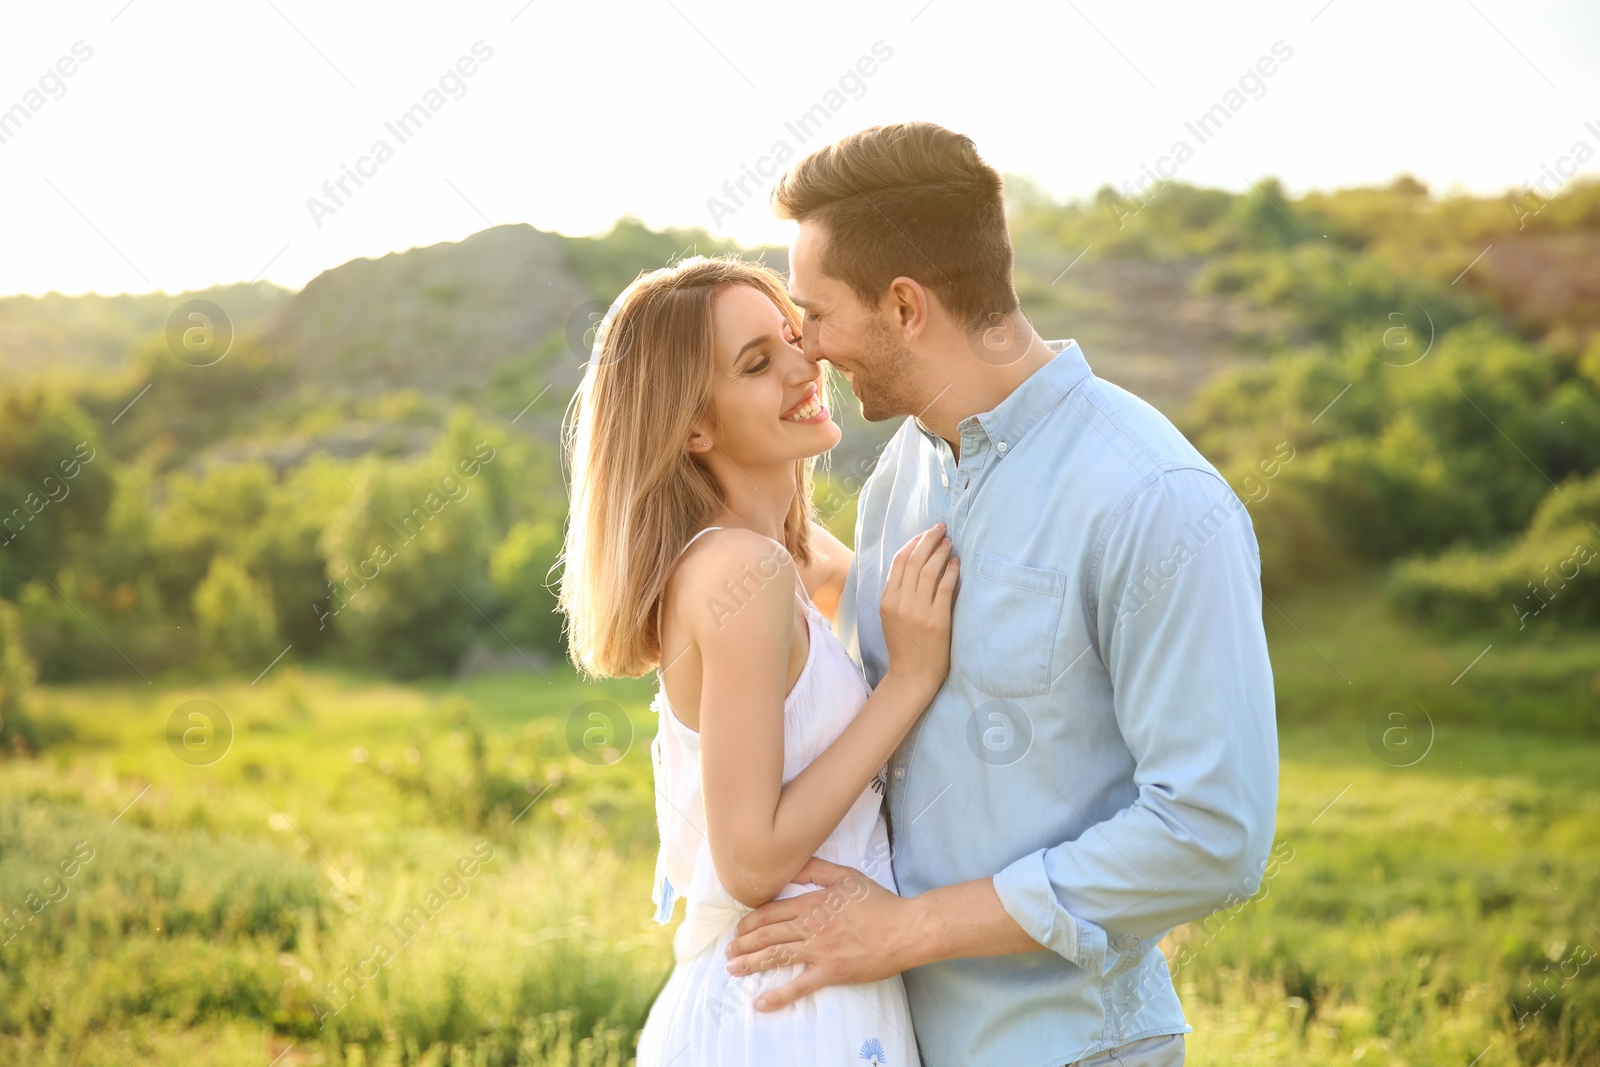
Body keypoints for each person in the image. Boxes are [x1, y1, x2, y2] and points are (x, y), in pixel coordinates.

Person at [722, 122, 1281, 1067]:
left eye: (816, 314)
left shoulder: (1154, 498)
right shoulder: (904, 472)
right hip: (895, 1042)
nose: (807, 348)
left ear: (904, 306)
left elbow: (1212, 832)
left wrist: (906, 930)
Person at [557, 255, 956, 1065]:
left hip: (803, 994)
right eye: (756, 363)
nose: (803, 366)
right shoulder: (745, 572)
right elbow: (749, 858)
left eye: (792, 337)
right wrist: (910, 680)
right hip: (779, 1011)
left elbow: (860, 578)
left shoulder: (783, 559)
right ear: (694, 426)